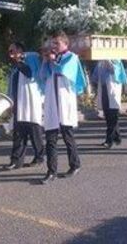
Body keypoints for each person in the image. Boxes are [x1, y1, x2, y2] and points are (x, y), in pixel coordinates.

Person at [40, 31, 87, 185]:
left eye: (57, 43)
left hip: (64, 101)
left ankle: (75, 164)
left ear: (66, 44)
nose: (54, 46)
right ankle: (51, 171)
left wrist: (53, 61)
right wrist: (45, 62)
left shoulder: (71, 58)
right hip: (52, 101)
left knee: (68, 136)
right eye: (52, 43)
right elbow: (43, 75)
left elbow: (63, 71)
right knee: (50, 137)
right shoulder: (54, 59)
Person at [4, 42, 44, 170]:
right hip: (19, 102)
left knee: (34, 131)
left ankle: (39, 157)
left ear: (20, 49)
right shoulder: (15, 66)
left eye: (13, 51)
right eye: (9, 52)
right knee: (18, 134)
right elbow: (12, 84)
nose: (11, 54)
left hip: (31, 101)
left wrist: (19, 60)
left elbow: (30, 73)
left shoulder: (31, 57)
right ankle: (16, 160)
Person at [92, 60, 127, 148]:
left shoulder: (117, 62)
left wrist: (111, 64)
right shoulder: (100, 62)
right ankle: (117, 137)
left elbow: (119, 76)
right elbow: (95, 77)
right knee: (108, 116)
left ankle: (109, 140)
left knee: (113, 116)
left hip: (113, 93)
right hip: (104, 91)